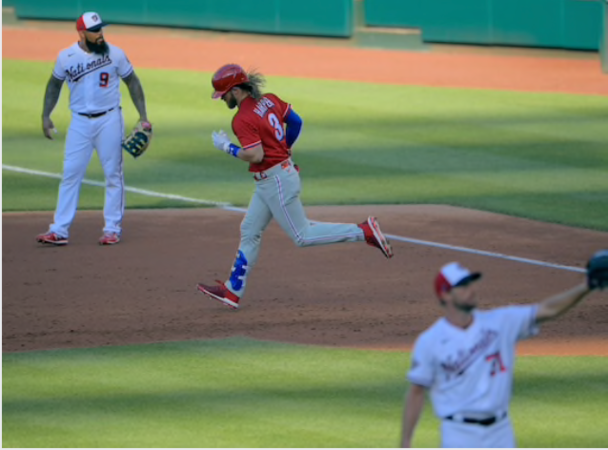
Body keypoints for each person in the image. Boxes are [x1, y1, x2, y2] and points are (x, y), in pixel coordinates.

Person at [197, 63, 393, 310]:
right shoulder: (269, 100)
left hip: (275, 181)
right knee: (249, 229)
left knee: (302, 236)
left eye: (223, 94)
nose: (223, 99)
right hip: (275, 177)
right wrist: (284, 149)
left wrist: (227, 147)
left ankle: (364, 231)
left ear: (235, 90)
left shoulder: (242, 118)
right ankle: (232, 291)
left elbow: (255, 155)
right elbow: (296, 122)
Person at [401, 254, 607, 448]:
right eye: (462, 286)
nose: (471, 289)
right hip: (459, 434)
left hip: (501, 433)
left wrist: (586, 287)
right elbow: (416, 391)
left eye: (471, 283)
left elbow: (547, 310)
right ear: (445, 294)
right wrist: (406, 444)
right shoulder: (430, 341)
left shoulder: (501, 322)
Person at [36, 11, 150, 246]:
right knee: (70, 174)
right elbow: (54, 85)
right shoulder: (66, 56)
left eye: (101, 30)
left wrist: (143, 116)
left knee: (113, 175)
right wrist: (46, 115)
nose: (100, 34)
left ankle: (112, 229)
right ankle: (59, 230)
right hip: (79, 122)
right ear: (81, 33)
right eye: (95, 31)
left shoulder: (115, 53)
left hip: (109, 119)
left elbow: (133, 82)